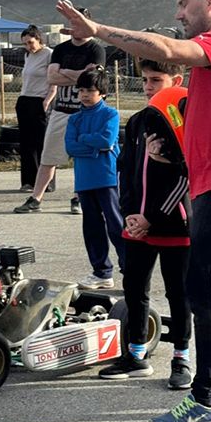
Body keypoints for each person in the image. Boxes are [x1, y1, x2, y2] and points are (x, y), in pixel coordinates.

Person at [56, 0, 211, 422]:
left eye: (183, 4)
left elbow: (169, 50)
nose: (178, 14)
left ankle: (205, 400)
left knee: (206, 295)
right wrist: (175, 153)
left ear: (210, 1)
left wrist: (96, 30)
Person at [98, 60, 194, 391]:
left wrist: (152, 217)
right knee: (135, 290)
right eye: (145, 80)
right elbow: (124, 170)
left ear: (177, 81)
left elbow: (187, 176)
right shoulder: (137, 121)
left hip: (172, 227)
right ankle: (136, 354)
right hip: (135, 225)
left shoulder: (184, 120)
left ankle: (181, 357)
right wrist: (128, 214)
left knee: (178, 293)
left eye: (157, 79)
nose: (149, 86)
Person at [14, 7, 105, 215]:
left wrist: (65, 72)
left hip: (86, 112)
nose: (76, 27)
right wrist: (78, 74)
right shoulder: (61, 50)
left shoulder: (96, 50)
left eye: (81, 23)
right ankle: (36, 198)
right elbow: (52, 78)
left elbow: (91, 79)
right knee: (48, 157)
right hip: (62, 110)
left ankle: (79, 197)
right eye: (73, 23)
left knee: (82, 157)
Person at [63, 69, 125, 290]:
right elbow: (70, 146)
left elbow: (107, 139)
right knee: (92, 227)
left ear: (102, 93)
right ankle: (101, 272)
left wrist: (85, 142)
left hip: (107, 176)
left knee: (116, 224)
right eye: (81, 90)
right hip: (84, 179)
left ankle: (129, 268)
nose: (85, 95)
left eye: (90, 90)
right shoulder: (75, 119)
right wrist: (93, 146)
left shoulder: (110, 114)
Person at [15, 25, 56, 192]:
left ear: (39, 39)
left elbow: (54, 79)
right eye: (25, 44)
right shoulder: (28, 56)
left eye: (31, 42)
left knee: (42, 143)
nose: (28, 47)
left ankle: (47, 182)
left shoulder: (50, 54)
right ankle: (28, 181)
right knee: (26, 143)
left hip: (41, 100)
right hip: (25, 99)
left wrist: (47, 100)